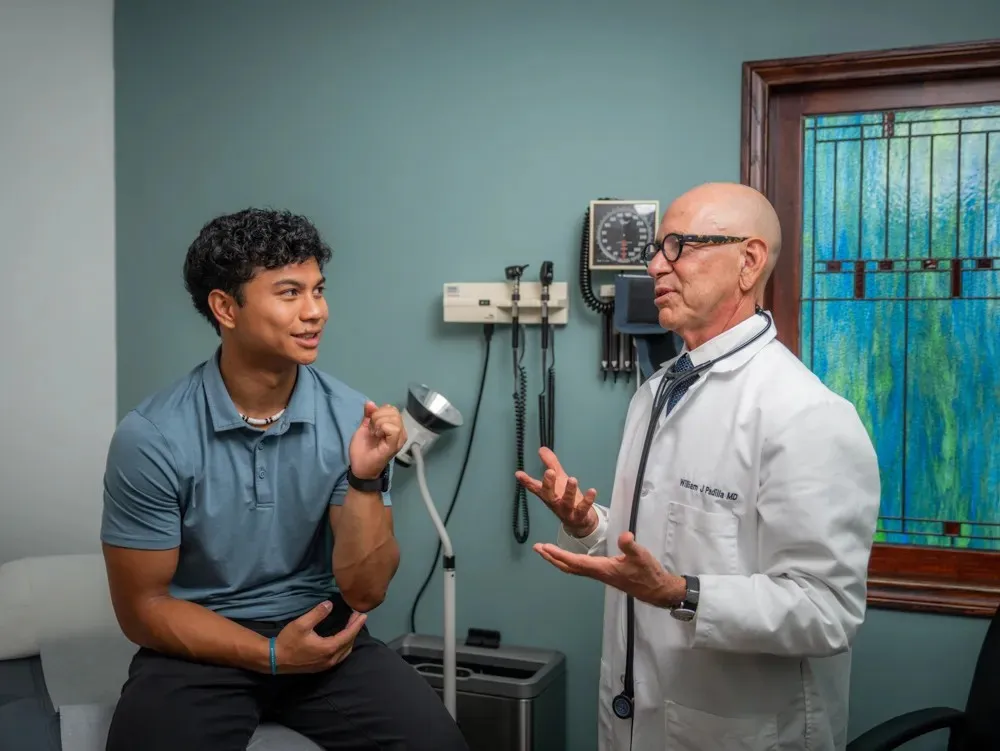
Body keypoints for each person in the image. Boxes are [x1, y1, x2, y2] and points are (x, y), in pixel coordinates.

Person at [516, 182, 881, 751]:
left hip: (743, 730)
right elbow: (660, 542)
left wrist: (680, 593)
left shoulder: (806, 414)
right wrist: (591, 527)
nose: (656, 266)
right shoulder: (658, 390)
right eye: (656, 250)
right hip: (642, 715)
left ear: (748, 262)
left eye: (678, 246)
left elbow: (826, 609)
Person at [100, 208, 469, 751]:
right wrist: (268, 655)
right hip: (200, 650)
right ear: (226, 307)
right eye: (290, 293)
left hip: (325, 641)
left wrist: (366, 479)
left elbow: (365, 591)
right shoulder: (152, 436)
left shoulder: (350, 420)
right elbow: (144, 609)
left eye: (318, 290)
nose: (316, 311)